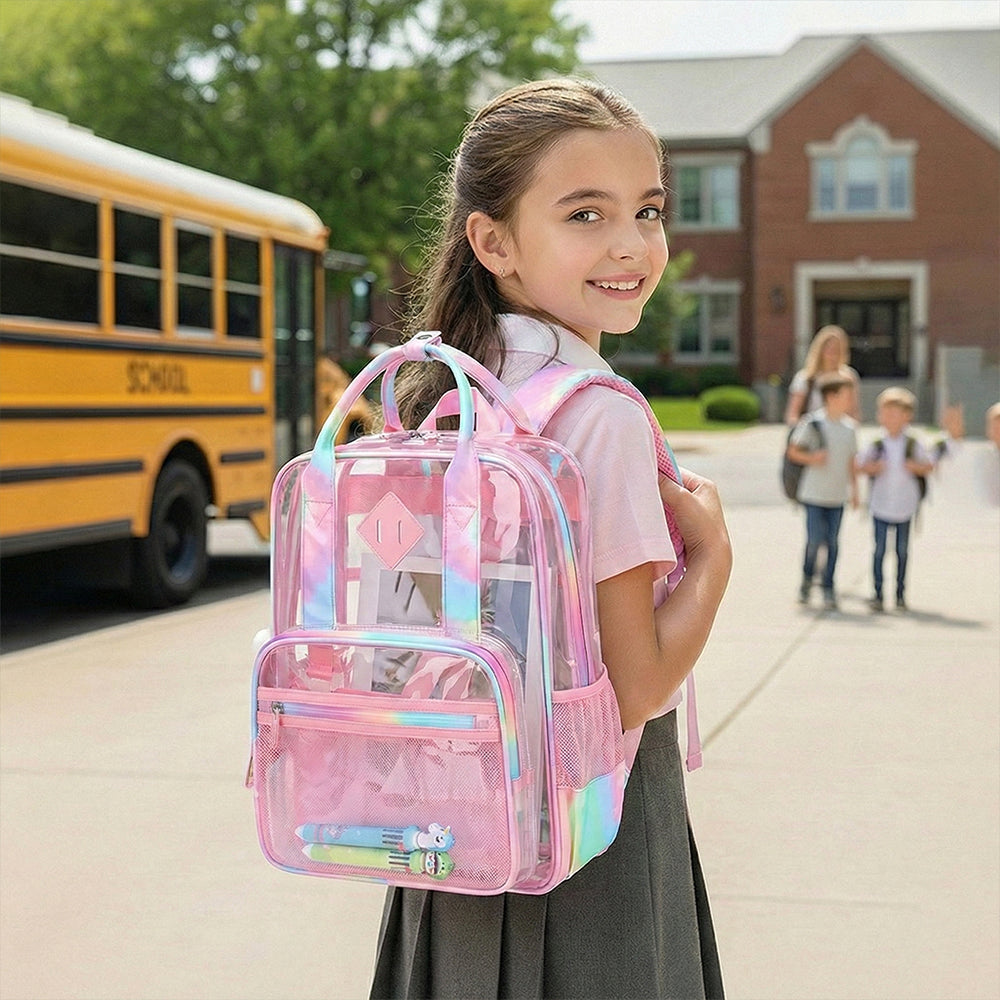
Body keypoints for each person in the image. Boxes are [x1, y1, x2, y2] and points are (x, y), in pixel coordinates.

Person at [369, 78, 732, 1000]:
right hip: (587, 832)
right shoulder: (598, 414)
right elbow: (635, 686)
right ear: (493, 242)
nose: (631, 244)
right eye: (585, 214)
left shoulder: (438, 394)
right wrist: (713, 561)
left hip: (449, 810)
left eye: (648, 211)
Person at [856, 389, 962, 610]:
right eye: (886, 413)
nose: (890, 419)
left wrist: (916, 467)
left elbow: (930, 464)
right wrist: (873, 468)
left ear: (907, 416)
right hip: (880, 504)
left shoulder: (914, 443)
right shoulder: (876, 442)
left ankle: (900, 594)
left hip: (905, 506)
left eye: (895, 414)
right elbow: (859, 465)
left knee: (902, 551)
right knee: (879, 550)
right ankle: (878, 593)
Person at [787, 370, 859, 610]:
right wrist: (813, 458)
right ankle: (807, 580)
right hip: (814, 495)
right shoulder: (813, 423)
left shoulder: (850, 428)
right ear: (831, 397)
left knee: (833, 543)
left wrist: (855, 491)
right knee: (814, 540)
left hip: (837, 496)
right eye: (846, 395)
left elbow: (852, 461)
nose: (850, 400)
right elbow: (793, 451)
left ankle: (828, 586)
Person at [784, 325, 862, 425]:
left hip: (839, 430)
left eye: (837, 349)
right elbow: (793, 413)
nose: (833, 354)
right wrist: (803, 429)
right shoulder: (805, 378)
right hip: (812, 429)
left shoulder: (848, 377)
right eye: (829, 349)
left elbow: (853, 411)